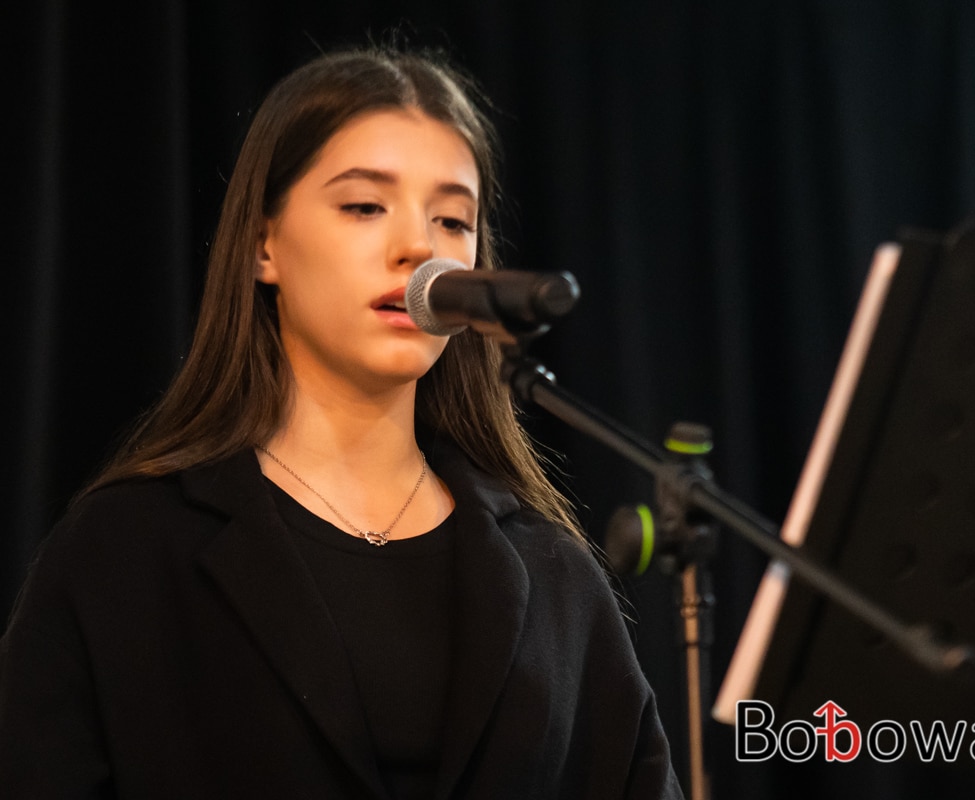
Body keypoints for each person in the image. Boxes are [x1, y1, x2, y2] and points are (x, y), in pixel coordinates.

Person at [0, 45, 682, 799]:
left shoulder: (553, 572)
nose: (419, 248)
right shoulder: (124, 550)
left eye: (453, 220)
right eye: (364, 206)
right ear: (263, 245)